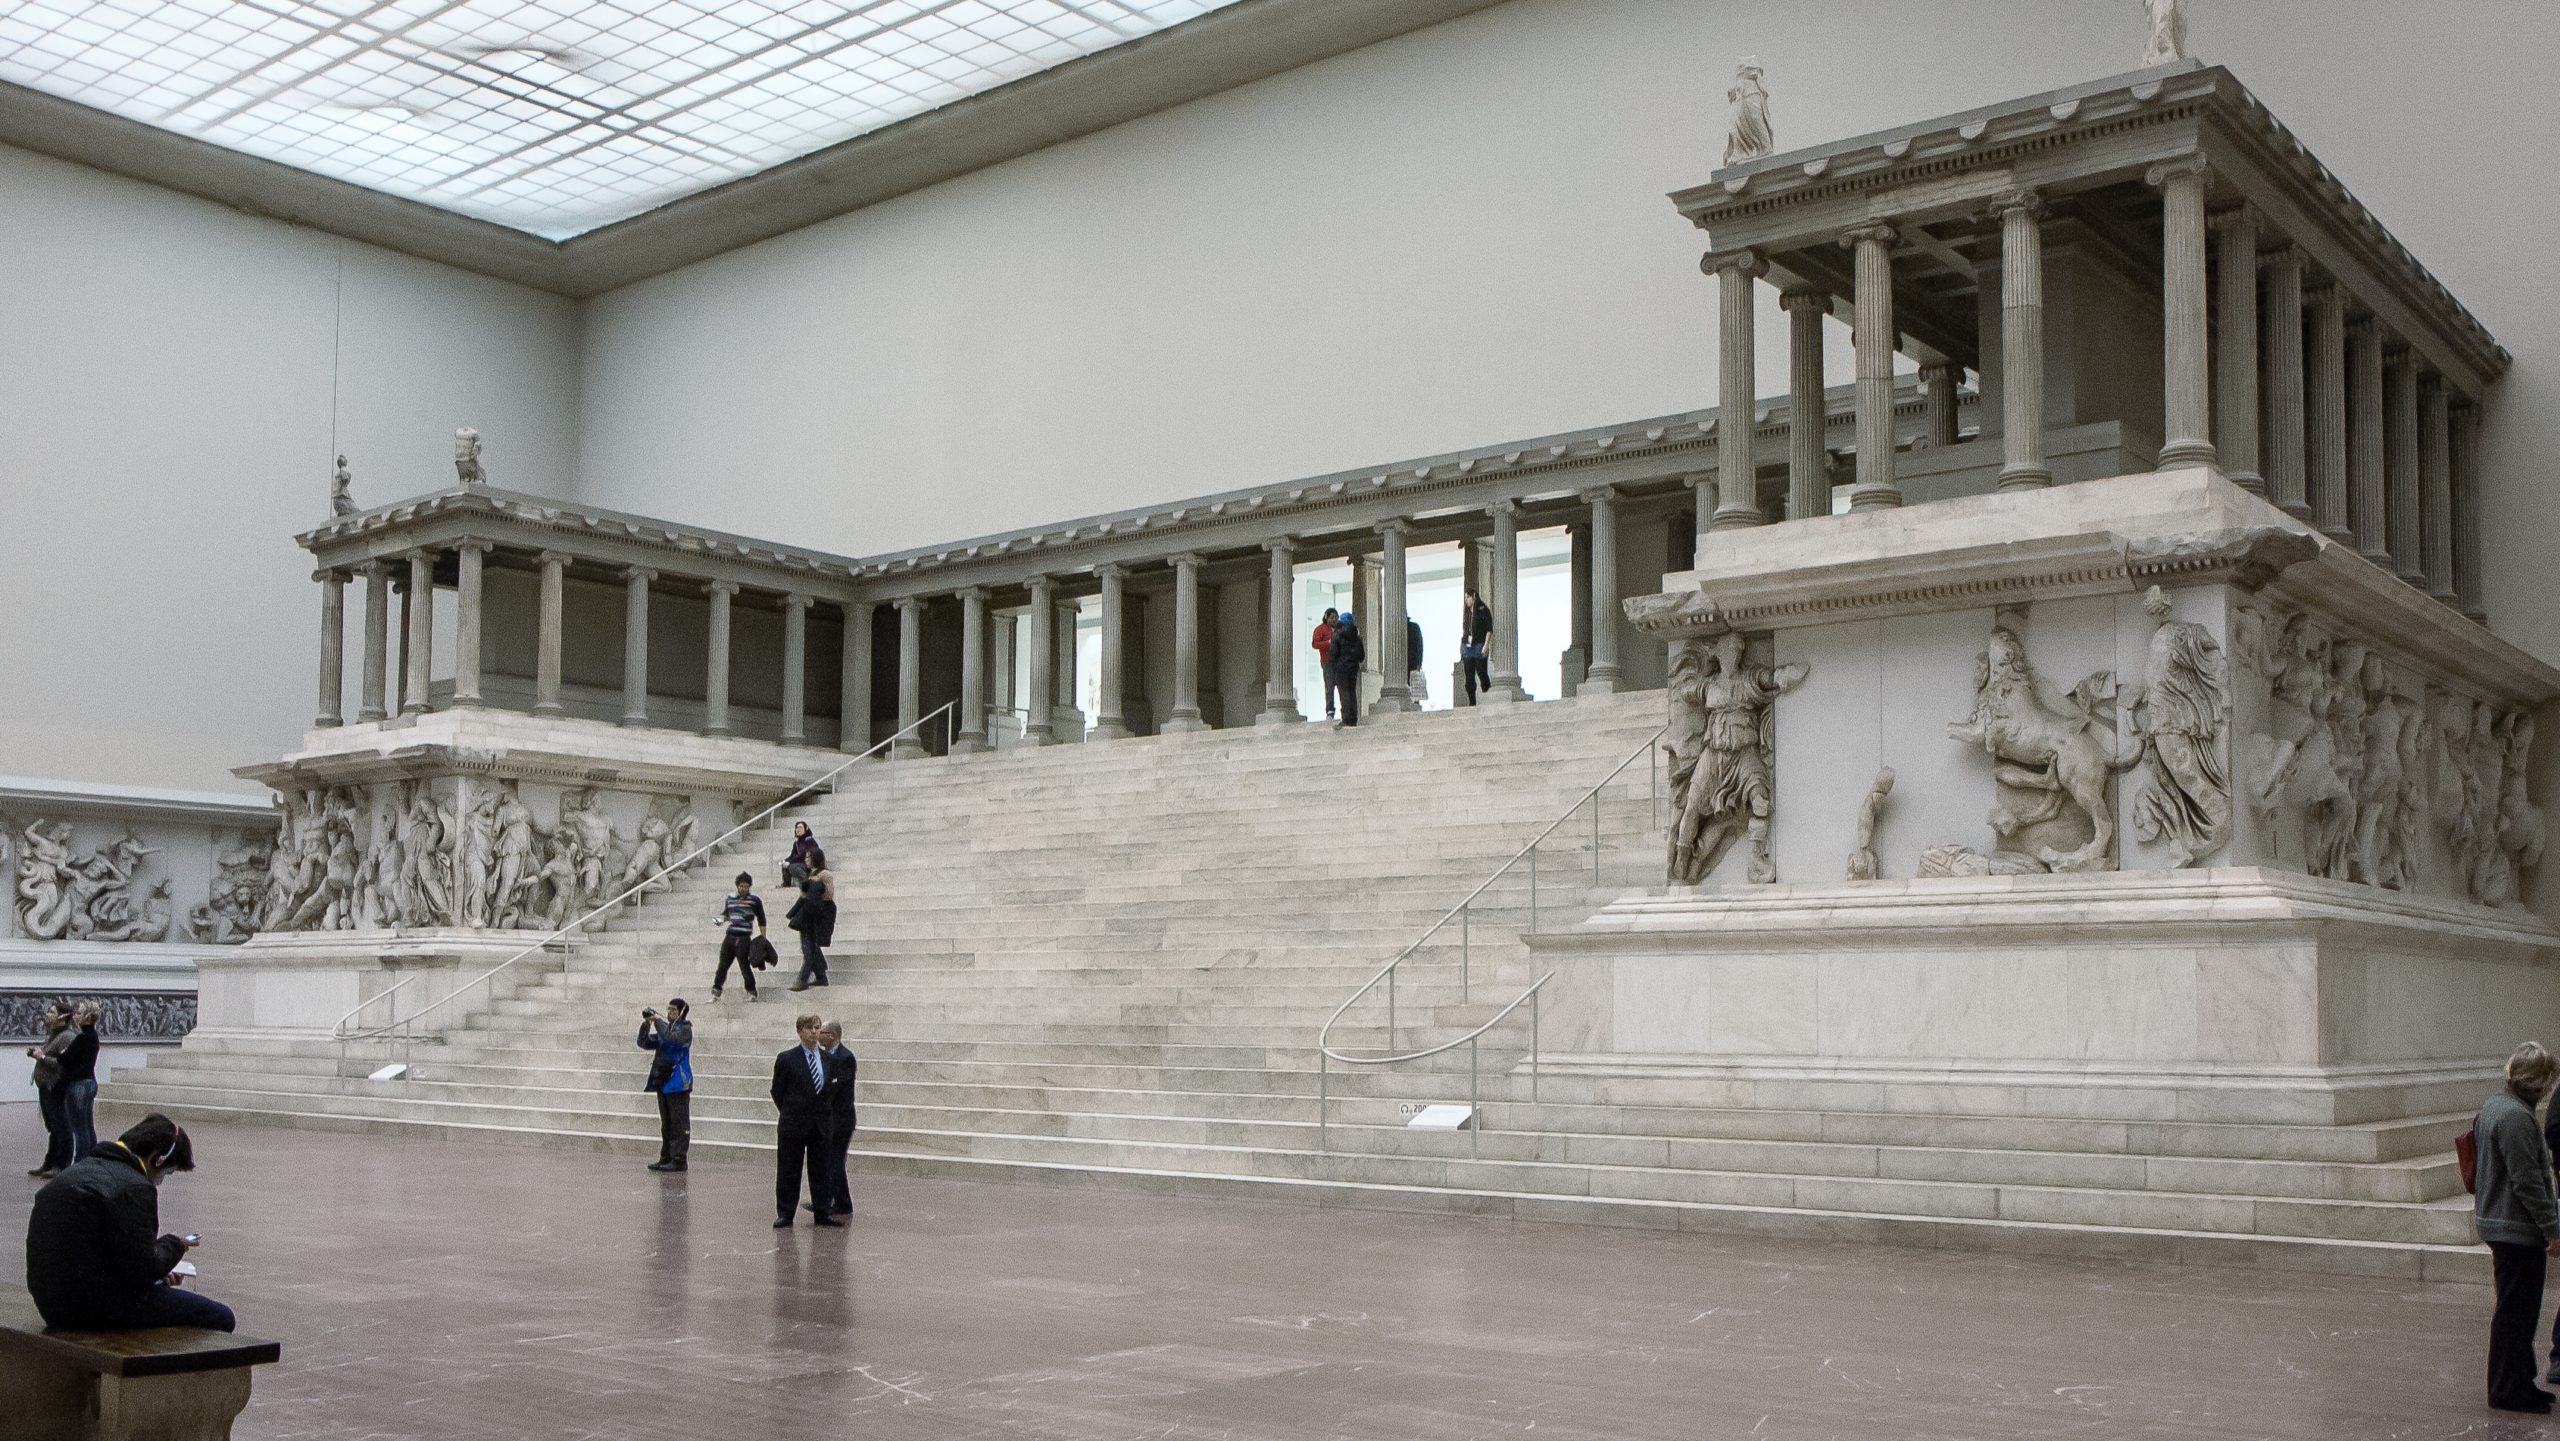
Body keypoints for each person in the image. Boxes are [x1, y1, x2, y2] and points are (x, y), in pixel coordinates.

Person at [25, 1113, 234, 1332]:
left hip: (52, 1305)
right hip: (93, 1309)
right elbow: (143, 1267)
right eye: (168, 1171)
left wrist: (158, 1276)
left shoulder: (73, 1173)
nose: (162, 1178)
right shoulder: (134, 1187)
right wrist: (175, 1245)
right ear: (157, 1158)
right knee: (221, 1317)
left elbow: (112, 1256)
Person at [2477, 1041, 2560, 1413]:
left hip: (2505, 1224)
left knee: (2516, 1312)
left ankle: (2518, 1382)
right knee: (2516, 1313)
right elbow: (2528, 1181)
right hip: (2516, 1229)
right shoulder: (2515, 1118)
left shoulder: (2497, 1107)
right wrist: (2553, 1229)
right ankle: (2509, 1389)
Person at [770, 1014, 844, 1228]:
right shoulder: (786, 1058)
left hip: (820, 1124)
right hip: (793, 1123)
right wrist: (790, 1111)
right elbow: (777, 1090)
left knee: (821, 1169)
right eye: (809, 1028)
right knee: (789, 1170)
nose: (814, 1032)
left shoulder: (829, 1059)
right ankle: (785, 1213)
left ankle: (822, 1212)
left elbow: (832, 1091)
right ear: (800, 1031)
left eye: (817, 1027)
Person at [810, 1019, 859, 1220]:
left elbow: (837, 1086)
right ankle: (830, 1200)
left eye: (822, 1032)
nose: (818, 1035)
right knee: (829, 1160)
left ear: (833, 1036)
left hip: (841, 1119)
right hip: (828, 1118)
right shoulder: (821, 1056)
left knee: (835, 1160)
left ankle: (841, 1203)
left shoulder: (845, 1057)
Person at [638, 998, 693, 1173]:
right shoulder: (666, 1029)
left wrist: (657, 1021)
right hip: (663, 1082)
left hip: (679, 1083)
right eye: (668, 1009)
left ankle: (679, 1159)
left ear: (681, 1012)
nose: (669, 1012)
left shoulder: (684, 1029)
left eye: (673, 1010)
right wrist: (646, 1025)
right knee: (667, 1123)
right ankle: (666, 1156)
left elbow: (671, 1040)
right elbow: (644, 1043)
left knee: (679, 1123)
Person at [25, 1003, 75, 1178]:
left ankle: (62, 1164)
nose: (47, 1014)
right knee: (53, 1126)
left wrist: (42, 1056)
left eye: (52, 1012)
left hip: (56, 1086)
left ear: (62, 1017)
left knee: (61, 1125)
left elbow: (63, 1063)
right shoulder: (54, 1036)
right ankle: (50, 1162)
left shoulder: (67, 1037)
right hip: (46, 1086)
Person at [787, 848, 838, 992]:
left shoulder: (825, 874)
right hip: (807, 914)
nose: (806, 859)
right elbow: (803, 896)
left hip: (818, 914)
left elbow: (828, 895)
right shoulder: (811, 874)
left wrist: (813, 887)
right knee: (811, 947)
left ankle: (803, 978)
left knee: (809, 947)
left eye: (808, 857)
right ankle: (821, 976)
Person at [711, 872, 766, 1002]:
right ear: (737, 885)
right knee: (722, 966)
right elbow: (726, 914)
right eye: (741, 886)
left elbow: (761, 919)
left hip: (744, 937)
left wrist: (763, 937)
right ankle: (716, 992)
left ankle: (752, 992)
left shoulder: (754, 900)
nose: (743, 889)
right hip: (730, 936)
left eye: (746, 886)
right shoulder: (730, 899)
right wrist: (721, 920)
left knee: (744, 966)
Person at [60, 1001, 102, 1162]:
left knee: (80, 1128)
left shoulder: (83, 1038)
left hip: (78, 1084)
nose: (75, 1016)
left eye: (78, 1013)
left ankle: (81, 1161)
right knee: (88, 1125)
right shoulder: (93, 1036)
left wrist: (64, 1053)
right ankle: (92, 1158)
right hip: (90, 1082)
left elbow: (65, 1058)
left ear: (85, 1017)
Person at [1329, 611, 1366, 729]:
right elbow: (1361, 656)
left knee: (1344, 693)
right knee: (1352, 692)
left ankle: (1346, 719)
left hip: (1341, 668)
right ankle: (1353, 719)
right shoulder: (1357, 636)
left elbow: (1333, 654)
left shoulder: (1337, 634)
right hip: (1353, 668)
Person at [1461, 588, 1493, 704]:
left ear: (1473, 596)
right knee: (1469, 675)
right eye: (1465, 598)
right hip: (1468, 646)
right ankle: (1472, 702)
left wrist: (1486, 645)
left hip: (1479, 644)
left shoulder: (1482, 608)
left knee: (1481, 671)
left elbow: (1489, 628)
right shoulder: (1467, 612)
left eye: (1467, 597)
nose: (1466, 600)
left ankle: (1487, 696)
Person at [1310, 607, 1338, 720]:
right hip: (1327, 662)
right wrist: (1329, 643)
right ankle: (1330, 712)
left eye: (1336, 617)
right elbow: (1315, 644)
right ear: (1326, 618)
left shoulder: (1340, 629)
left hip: (1340, 662)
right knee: (1329, 686)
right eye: (1332, 617)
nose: (1334, 620)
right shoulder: (1320, 629)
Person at [783, 821, 819, 886]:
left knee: (792, 866)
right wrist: (785, 861)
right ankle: (786, 884)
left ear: (805, 829)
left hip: (809, 863)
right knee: (785, 864)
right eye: (797, 827)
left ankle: (806, 880)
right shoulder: (796, 843)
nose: (798, 829)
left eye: (800, 827)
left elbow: (803, 855)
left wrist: (790, 862)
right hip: (800, 863)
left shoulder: (809, 840)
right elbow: (792, 855)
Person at [1406, 616, 1427, 703]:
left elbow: (1419, 646)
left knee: (1415, 689)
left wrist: (1419, 663)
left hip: (1412, 663)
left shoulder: (1414, 627)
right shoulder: (1414, 627)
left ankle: (1416, 704)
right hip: (1410, 663)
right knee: (1414, 689)